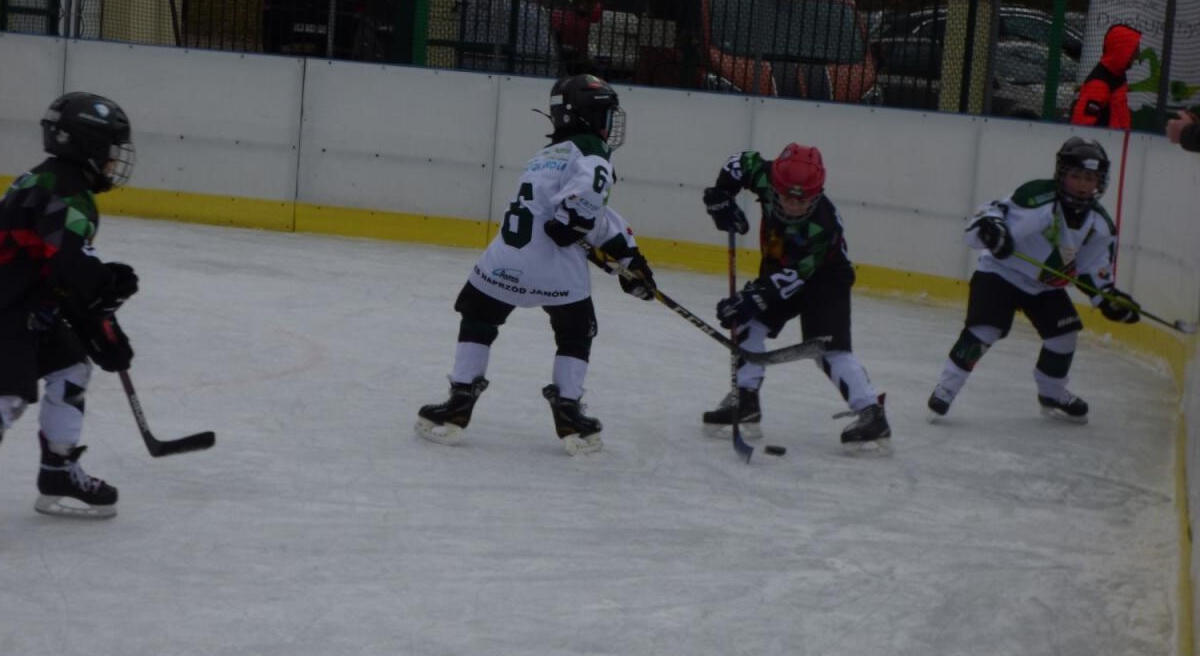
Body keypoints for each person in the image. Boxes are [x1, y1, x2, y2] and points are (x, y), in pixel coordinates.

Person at [415, 74, 656, 455]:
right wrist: (627, 257)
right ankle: (569, 411)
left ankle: (458, 402)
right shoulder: (591, 148)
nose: (609, 124)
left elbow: (581, 210)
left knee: (477, 317)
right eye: (604, 114)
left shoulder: (546, 155)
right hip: (557, 271)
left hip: (504, 261)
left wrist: (623, 255)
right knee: (576, 333)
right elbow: (592, 199)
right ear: (586, 115)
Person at [927, 136, 1140, 424]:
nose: (1082, 185)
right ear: (1061, 174)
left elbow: (1092, 270)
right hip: (1001, 273)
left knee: (1064, 336)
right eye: (1076, 176)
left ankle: (1052, 392)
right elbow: (992, 212)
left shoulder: (1100, 224)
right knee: (985, 330)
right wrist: (993, 230)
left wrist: (1108, 299)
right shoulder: (1038, 197)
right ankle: (946, 388)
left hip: (1043, 286)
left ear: (1100, 182)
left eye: (1090, 178)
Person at [0, 91, 139, 518]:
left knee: (71, 366)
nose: (114, 161)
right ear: (88, 146)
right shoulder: (66, 192)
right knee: (7, 396)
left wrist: (99, 323)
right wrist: (105, 287)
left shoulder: (52, 180)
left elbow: (60, 270)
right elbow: (70, 264)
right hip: (6, 307)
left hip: (24, 303)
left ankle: (57, 471)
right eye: (110, 150)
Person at [700, 143, 890, 449]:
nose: (793, 205)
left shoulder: (823, 224)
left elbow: (793, 277)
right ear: (775, 184)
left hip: (825, 279)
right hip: (781, 263)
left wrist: (751, 298)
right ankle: (745, 400)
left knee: (828, 349)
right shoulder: (765, 175)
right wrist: (721, 195)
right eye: (786, 195)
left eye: (803, 199)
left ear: (817, 193)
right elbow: (738, 163)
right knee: (747, 323)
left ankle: (872, 414)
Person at [1069, 23, 1142, 129]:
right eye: (1134, 51)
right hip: (1103, 139)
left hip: (1115, 137)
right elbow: (1081, 126)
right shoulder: (1098, 85)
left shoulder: (1117, 75)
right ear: (1123, 51)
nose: (1137, 56)